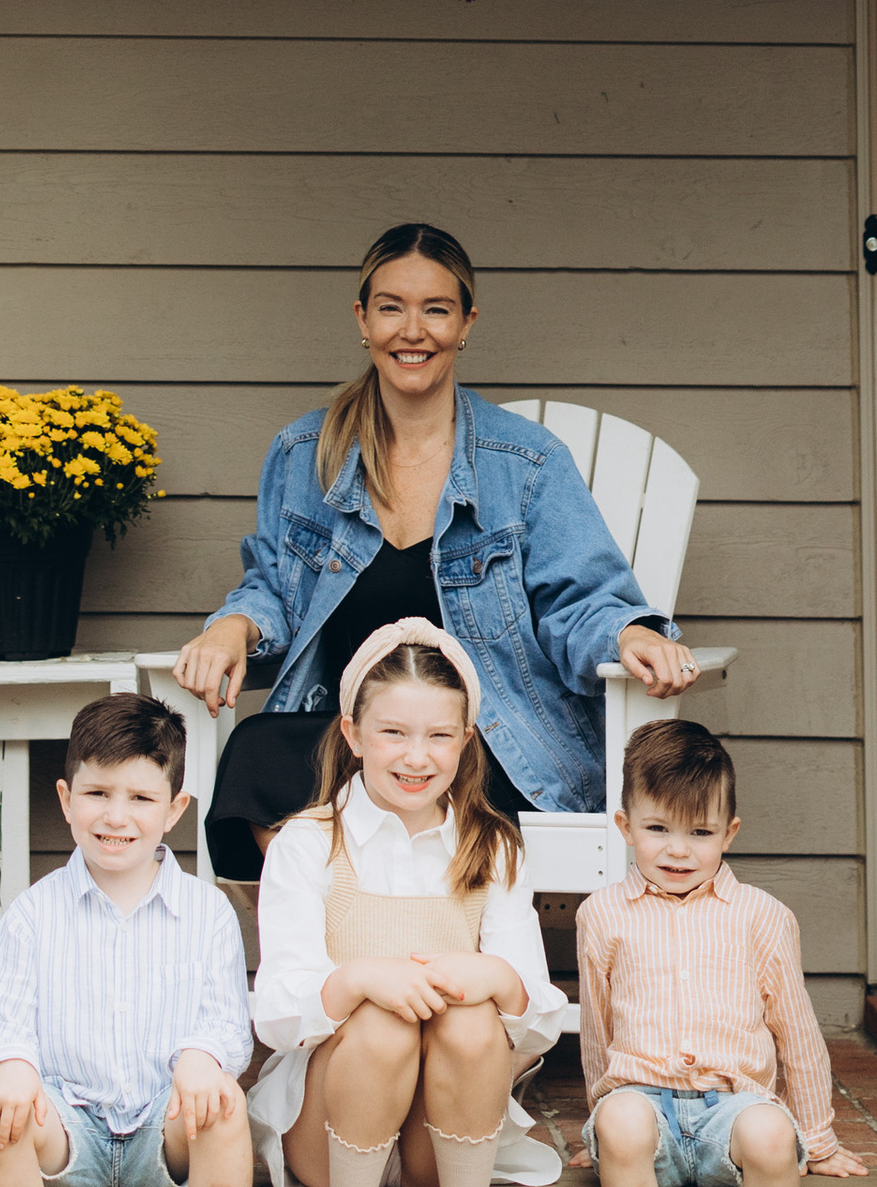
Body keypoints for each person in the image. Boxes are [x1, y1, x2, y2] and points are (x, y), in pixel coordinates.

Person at [175, 221, 701, 865]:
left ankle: (382, 939)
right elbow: (275, 590)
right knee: (257, 755)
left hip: (484, 739)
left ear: (466, 323)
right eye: (391, 307)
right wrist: (233, 626)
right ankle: (350, 938)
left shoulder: (526, 463)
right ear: (362, 319)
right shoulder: (305, 455)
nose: (413, 330)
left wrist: (630, 635)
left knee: (443, 770)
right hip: (357, 738)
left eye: (436, 309)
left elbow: (581, 600)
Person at [248, 620, 567, 1187]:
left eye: (438, 737)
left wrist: (499, 980)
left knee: (471, 1022)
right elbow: (275, 1010)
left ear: (465, 741)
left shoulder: (492, 847)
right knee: (382, 1022)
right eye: (393, 732)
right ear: (354, 733)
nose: (417, 757)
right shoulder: (308, 843)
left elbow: (539, 1017)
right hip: (327, 1133)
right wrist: (358, 980)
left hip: (438, 1142)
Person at [0, 693, 272, 1187]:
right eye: (98, 792)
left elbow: (225, 1017)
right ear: (66, 798)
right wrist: (13, 1067)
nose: (116, 815)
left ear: (174, 809)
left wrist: (200, 1058)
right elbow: (2, 1018)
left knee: (222, 1103)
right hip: (68, 1130)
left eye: (139, 796)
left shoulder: (207, 913)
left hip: (166, 1129)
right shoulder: (33, 913)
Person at [575, 719, 867, 1187]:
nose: (678, 850)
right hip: (643, 1108)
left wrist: (817, 1138)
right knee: (621, 1120)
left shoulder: (762, 917)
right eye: (657, 829)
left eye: (700, 833)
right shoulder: (601, 914)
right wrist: (592, 1124)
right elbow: (597, 1028)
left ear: (729, 833)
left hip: (728, 1115)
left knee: (770, 1132)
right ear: (625, 826)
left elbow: (797, 1030)